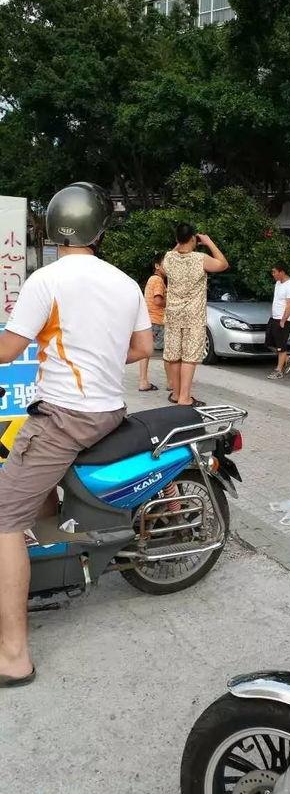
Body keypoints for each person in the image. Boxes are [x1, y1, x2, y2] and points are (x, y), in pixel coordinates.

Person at [0, 182, 153, 687]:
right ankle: (49, 558)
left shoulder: (46, 280)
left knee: (2, 519)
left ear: (53, 228)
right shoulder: (126, 283)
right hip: (108, 412)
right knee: (31, 487)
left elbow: (8, 348)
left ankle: (13, 655)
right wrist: (97, 356)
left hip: (65, 418)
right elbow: (142, 348)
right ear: (99, 230)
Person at [163, 224, 228, 406]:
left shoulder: (169, 257)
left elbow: (164, 267)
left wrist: (179, 243)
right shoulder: (200, 259)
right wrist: (208, 242)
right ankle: (185, 397)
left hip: (174, 314)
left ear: (177, 239)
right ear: (193, 238)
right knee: (189, 357)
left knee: (174, 354)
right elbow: (223, 264)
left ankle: (176, 394)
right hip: (193, 315)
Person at [139, 252, 167, 392]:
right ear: (157, 266)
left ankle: (143, 381)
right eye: (165, 264)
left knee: (146, 352)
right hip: (158, 320)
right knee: (170, 352)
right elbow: (158, 300)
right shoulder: (158, 281)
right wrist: (172, 302)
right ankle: (172, 383)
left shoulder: (151, 279)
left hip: (149, 319)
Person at [266, 262, 290, 379]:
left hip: (284, 320)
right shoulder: (278, 283)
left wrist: (283, 320)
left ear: (282, 272)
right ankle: (287, 358)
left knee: (281, 346)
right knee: (269, 343)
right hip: (274, 318)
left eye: (274, 272)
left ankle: (279, 371)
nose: (273, 274)